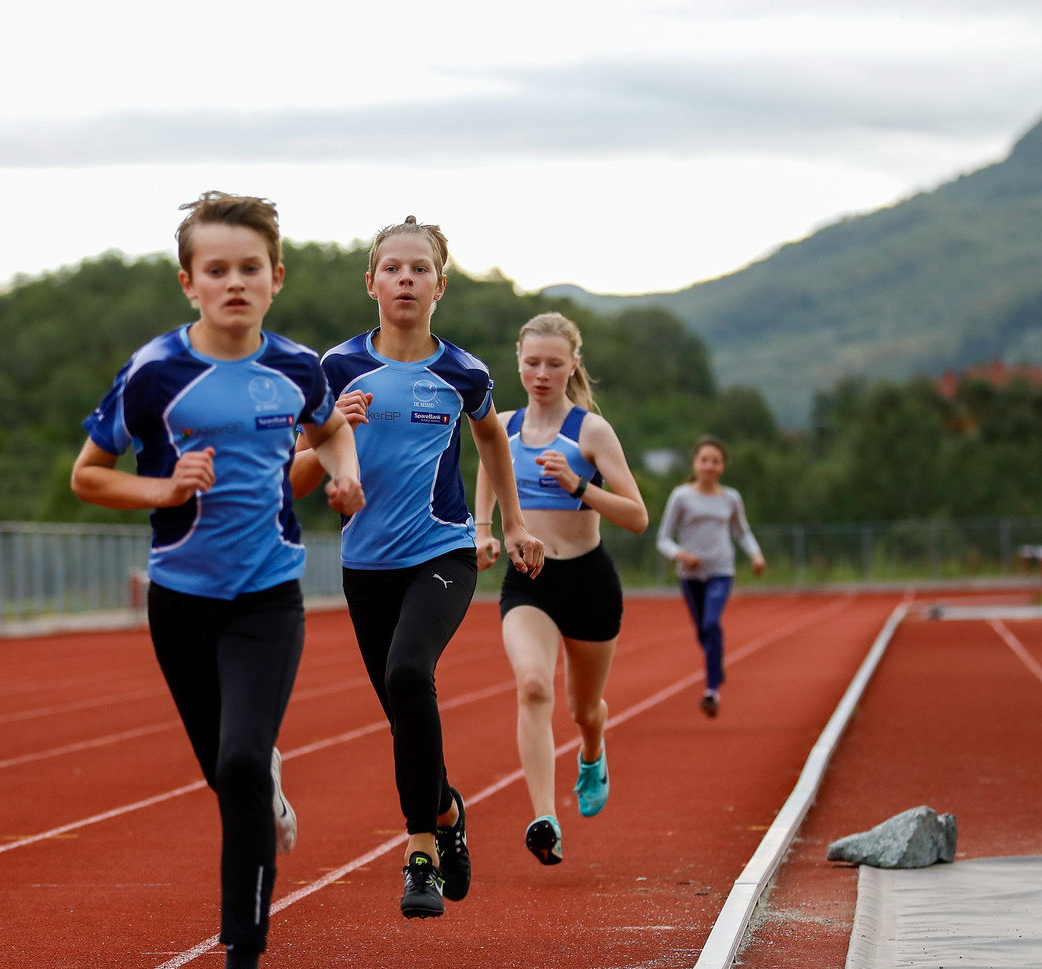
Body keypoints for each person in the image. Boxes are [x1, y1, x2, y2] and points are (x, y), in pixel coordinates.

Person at [71, 192, 363, 969]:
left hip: (268, 596)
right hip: (181, 602)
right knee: (227, 773)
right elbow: (88, 476)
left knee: (237, 763)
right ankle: (261, 775)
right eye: (216, 269)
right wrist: (160, 488)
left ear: (276, 278)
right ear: (189, 282)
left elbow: (329, 432)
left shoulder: (299, 367)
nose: (234, 282)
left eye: (250, 268)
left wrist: (340, 473)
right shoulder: (155, 372)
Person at [291, 216, 545, 918]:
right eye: (392, 268)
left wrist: (511, 523)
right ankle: (449, 812)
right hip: (364, 565)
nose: (406, 279)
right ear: (371, 281)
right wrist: (332, 429)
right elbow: (295, 479)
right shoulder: (332, 370)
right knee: (405, 717)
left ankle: (421, 854)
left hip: (442, 551)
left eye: (419, 269)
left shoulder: (462, 372)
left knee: (409, 672)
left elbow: (493, 437)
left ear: (439, 283)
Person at [473, 312, 648, 865]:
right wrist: (483, 529)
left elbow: (639, 516)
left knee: (583, 709)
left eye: (553, 363)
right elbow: (484, 471)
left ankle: (593, 753)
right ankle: (545, 817)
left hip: (590, 582)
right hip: (531, 583)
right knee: (532, 687)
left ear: (573, 363)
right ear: (518, 362)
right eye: (531, 363)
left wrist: (579, 485)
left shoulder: (591, 431)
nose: (541, 373)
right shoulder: (501, 425)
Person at [654, 434, 764, 717]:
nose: (709, 466)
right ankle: (716, 666)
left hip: (721, 571)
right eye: (704, 460)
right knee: (703, 631)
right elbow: (663, 538)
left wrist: (755, 553)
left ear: (723, 466)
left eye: (716, 461)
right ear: (695, 463)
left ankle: (711, 691)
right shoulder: (681, 496)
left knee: (712, 623)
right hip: (691, 576)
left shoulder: (731, 498)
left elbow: (742, 531)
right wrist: (680, 555)